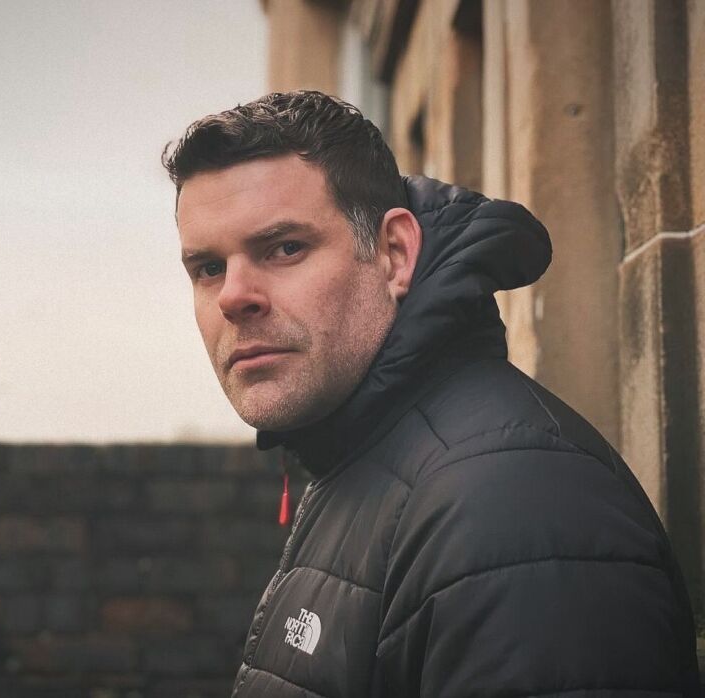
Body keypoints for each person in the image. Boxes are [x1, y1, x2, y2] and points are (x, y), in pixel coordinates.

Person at [162, 91, 700, 698]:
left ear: (395, 254)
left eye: (286, 248)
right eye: (208, 268)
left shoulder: (514, 501)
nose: (234, 297)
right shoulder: (362, 458)